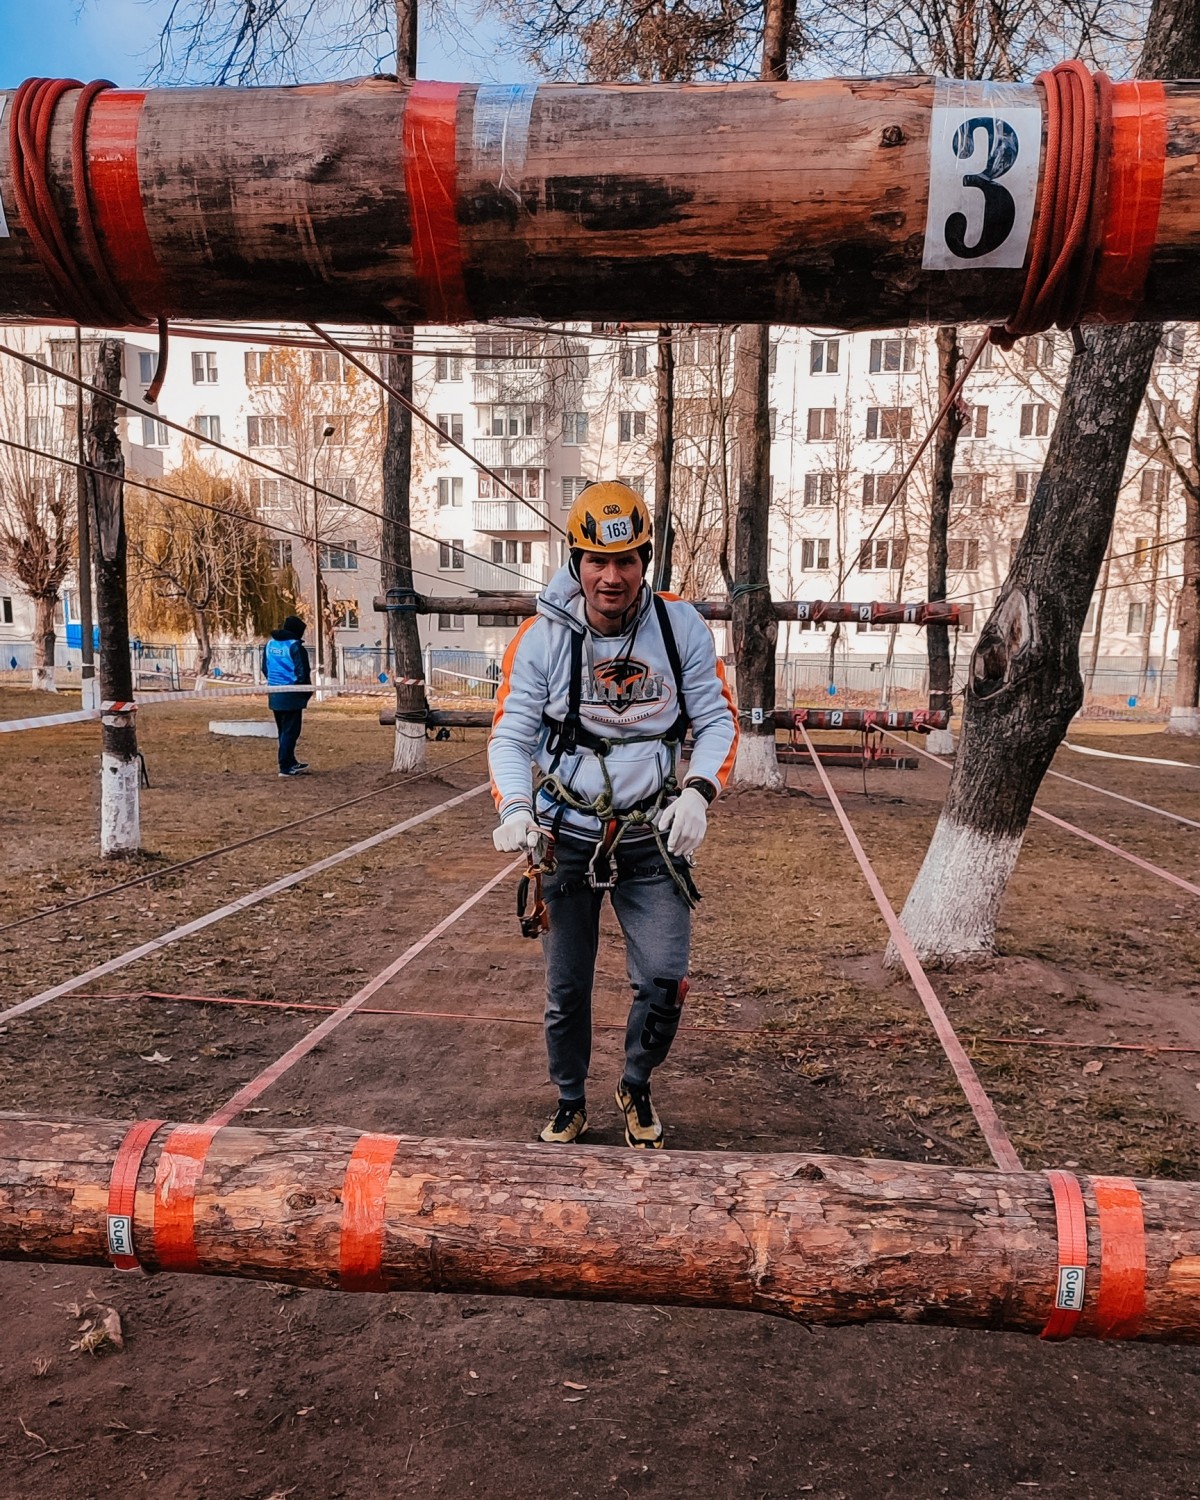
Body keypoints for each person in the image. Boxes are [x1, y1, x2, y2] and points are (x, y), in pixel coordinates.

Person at [488, 482, 738, 1149]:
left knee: (665, 978)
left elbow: (716, 719)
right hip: (566, 840)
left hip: (651, 838)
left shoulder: (679, 627)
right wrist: (516, 809)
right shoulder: (540, 640)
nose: (611, 576)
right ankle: (571, 1098)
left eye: (626, 560)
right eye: (597, 561)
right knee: (566, 989)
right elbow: (510, 736)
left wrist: (699, 791)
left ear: (645, 561)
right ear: (576, 562)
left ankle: (635, 1081)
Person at [262, 614, 313, 776]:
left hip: (274, 693)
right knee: (291, 731)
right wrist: (305, 692)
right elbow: (303, 672)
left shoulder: (269, 645)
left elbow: (265, 668)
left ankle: (290, 761)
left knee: (283, 730)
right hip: (292, 693)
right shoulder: (295, 647)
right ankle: (285, 766)